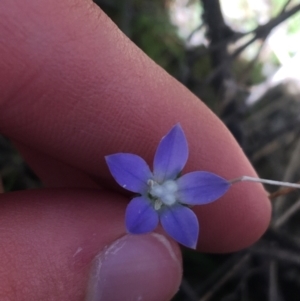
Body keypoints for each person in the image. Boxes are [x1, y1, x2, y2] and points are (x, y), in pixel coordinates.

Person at [0, 0, 271, 300]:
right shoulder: (136, 178)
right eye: (161, 192)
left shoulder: (171, 210)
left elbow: (207, 189)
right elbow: (130, 196)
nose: (164, 193)